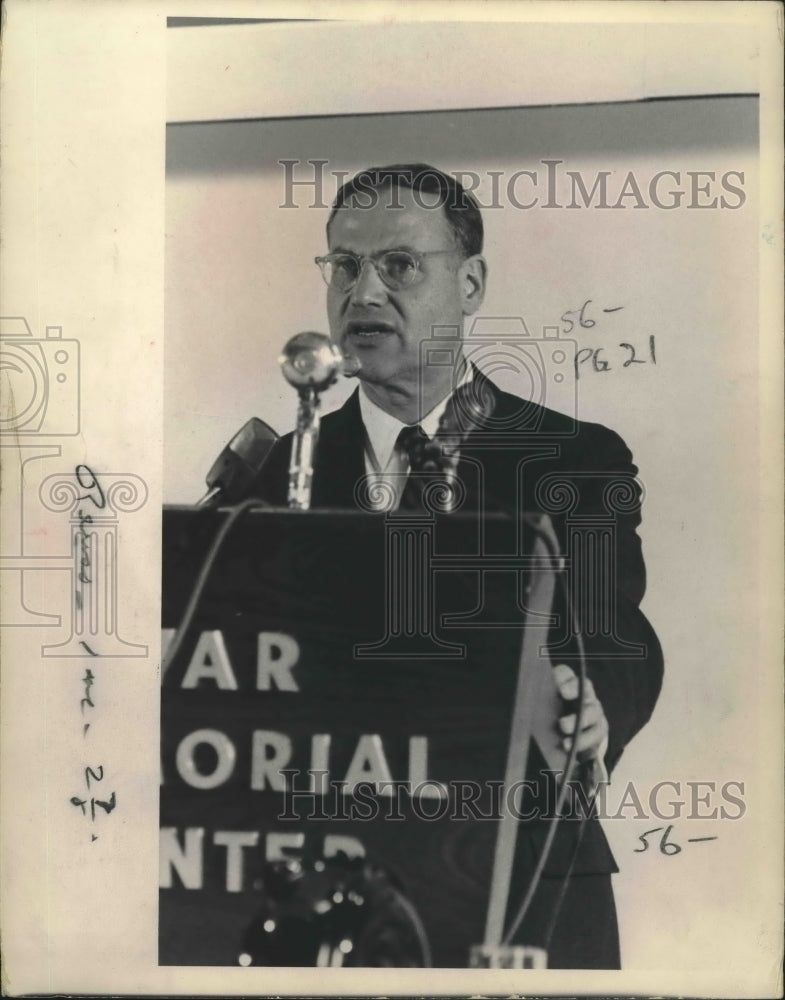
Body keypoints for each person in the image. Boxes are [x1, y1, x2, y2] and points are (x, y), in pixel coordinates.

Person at [253, 164, 663, 968]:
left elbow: (616, 636)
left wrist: (590, 705)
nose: (363, 292)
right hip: (325, 887)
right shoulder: (280, 475)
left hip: (524, 870)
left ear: (470, 284)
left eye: (398, 265)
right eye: (344, 265)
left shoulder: (572, 458)